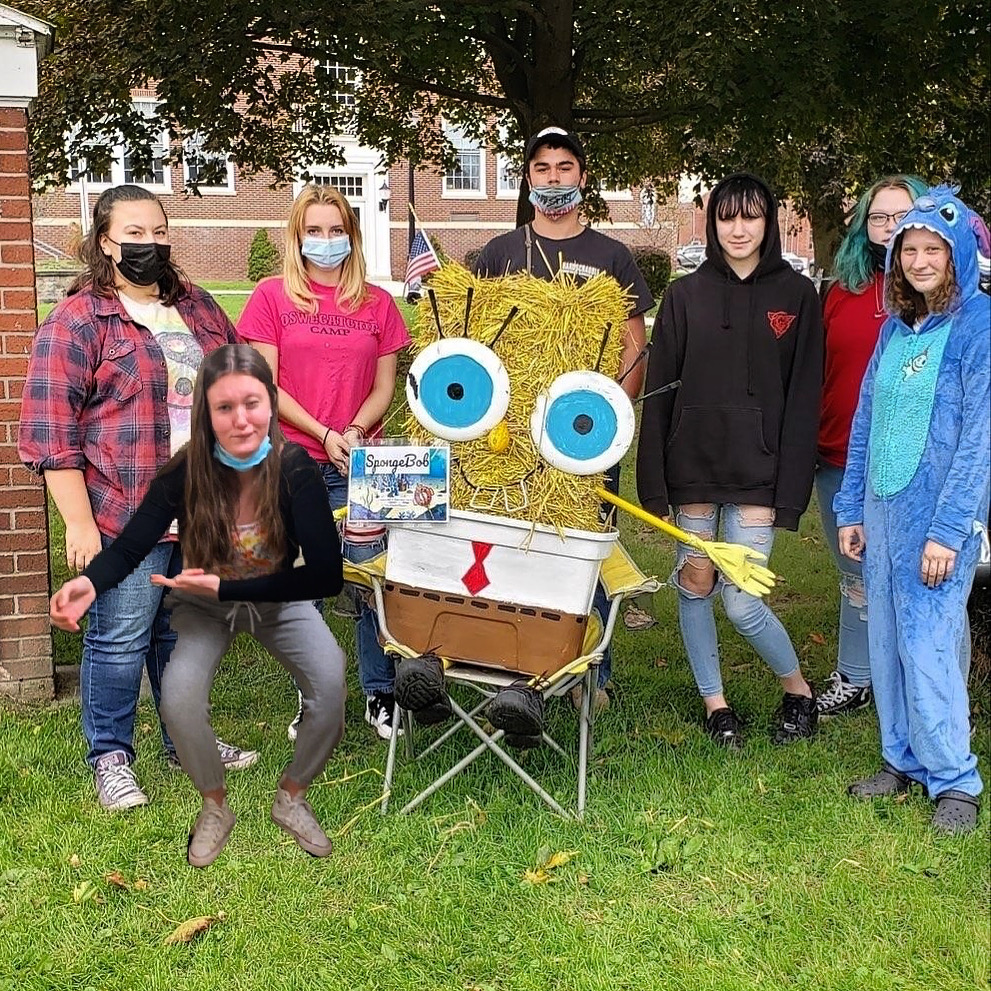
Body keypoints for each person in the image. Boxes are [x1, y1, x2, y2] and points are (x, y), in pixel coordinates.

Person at [49, 345, 347, 866]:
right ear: (204, 414)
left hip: (275, 595)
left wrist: (228, 589)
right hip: (209, 603)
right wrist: (90, 586)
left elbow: (326, 576)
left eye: (251, 403)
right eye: (223, 407)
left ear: (271, 404)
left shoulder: (295, 468)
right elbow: (132, 545)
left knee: (330, 681)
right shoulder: (186, 470)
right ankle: (214, 807)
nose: (240, 420)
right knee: (181, 698)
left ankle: (292, 798)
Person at [19, 184, 255, 812]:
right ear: (105, 242)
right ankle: (111, 757)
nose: (149, 243)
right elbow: (49, 430)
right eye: (133, 233)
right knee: (120, 636)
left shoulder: (199, 307)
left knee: (184, 634)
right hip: (123, 511)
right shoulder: (77, 321)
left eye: (158, 230)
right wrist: (78, 524)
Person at [637, 173, 823, 748]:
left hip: (758, 478)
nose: (738, 230)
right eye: (726, 217)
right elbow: (660, 392)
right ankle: (714, 702)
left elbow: (803, 399)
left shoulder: (797, 297)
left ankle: (798, 691)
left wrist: (789, 494)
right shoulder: (684, 296)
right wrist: (654, 483)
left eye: (751, 217)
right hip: (691, 468)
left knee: (743, 602)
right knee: (695, 585)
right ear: (712, 223)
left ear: (768, 223)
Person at [474, 126, 655, 710]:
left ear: (582, 177)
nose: (555, 178)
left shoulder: (611, 256)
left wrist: (612, 420)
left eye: (565, 167)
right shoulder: (502, 253)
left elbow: (635, 344)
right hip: (513, 438)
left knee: (588, 551)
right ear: (528, 179)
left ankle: (588, 678)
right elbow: (479, 345)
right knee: (519, 542)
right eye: (544, 168)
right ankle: (521, 663)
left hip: (585, 433)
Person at [836, 187, 990, 835]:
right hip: (883, 515)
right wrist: (850, 507)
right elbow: (866, 422)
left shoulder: (976, 326)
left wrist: (948, 530)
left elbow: (979, 439)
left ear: (955, 256)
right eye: (908, 250)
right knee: (889, 643)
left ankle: (953, 777)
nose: (919, 260)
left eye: (932, 249)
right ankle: (900, 759)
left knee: (929, 646)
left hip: (937, 525)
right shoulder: (898, 330)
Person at [237, 185, 410, 740]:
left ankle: (380, 692)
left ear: (352, 237)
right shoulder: (272, 297)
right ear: (297, 236)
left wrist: (356, 431)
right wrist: (325, 433)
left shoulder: (377, 303)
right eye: (314, 230)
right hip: (295, 460)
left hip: (365, 463)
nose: (326, 240)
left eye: (336, 230)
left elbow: (387, 384)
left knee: (373, 581)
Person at [815, 175, 930, 717]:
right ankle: (856, 674)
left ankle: (916, 681)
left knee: (912, 574)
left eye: (899, 216)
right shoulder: (842, 289)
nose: (888, 228)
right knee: (853, 571)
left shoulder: (939, 292)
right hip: (839, 454)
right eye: (877, 218)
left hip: (910, 464)